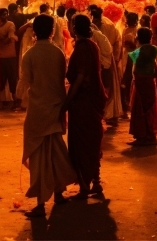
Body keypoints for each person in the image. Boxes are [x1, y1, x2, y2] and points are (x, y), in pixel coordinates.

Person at [21, 15, 76, 218]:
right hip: (56, 107)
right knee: (55, 151)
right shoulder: (58, 53)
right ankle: (59, 193)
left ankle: (41, 202)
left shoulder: (29, 55)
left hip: (37, 109)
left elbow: (27, 82)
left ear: (33, 31)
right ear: (53, 31)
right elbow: (62, 78)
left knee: (39, 156)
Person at [65, 14, 107, 199]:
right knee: (93, 142)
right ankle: (96, 181)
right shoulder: (93, 46)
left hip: (83, 101)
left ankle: (84, 186)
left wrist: (67, 100)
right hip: (93, 98)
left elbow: (80, 76)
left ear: (75, 28)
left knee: (82, 143)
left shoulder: (82, 48)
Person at [91, 6, 123, 126]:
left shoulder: (105, 25)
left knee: (107, 87)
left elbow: (117, 42)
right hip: (104, 60)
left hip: (106, 61)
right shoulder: (97, 25)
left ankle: (109, 114)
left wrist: (114, 57)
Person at [128, 27, 157, 146]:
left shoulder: (136, 53)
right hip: (150, 82)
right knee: (150, 108)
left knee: (139, 108)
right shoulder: (154, 50)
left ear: (138, 38)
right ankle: (151, 135)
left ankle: (141, 136)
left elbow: (135, 70)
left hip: (140, 81)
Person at [0, 7, 18, 108]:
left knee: (12, 78)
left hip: (10, 55)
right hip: (0, 57)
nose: (4, 16)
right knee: (1, 79)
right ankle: (1, 102)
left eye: (6, 14)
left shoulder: (10, 25)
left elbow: (9, 38)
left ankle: (14, 101)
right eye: (2, 14)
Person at [121, 12, 139, 115]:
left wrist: (132, 45)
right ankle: (126, 102)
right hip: (125, 54)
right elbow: (123, 43)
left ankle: (130, 101)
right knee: (125, 77)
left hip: (134, 54)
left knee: (130, 77)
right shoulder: (125, 30)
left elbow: (138, 45)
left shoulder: (138, 30)